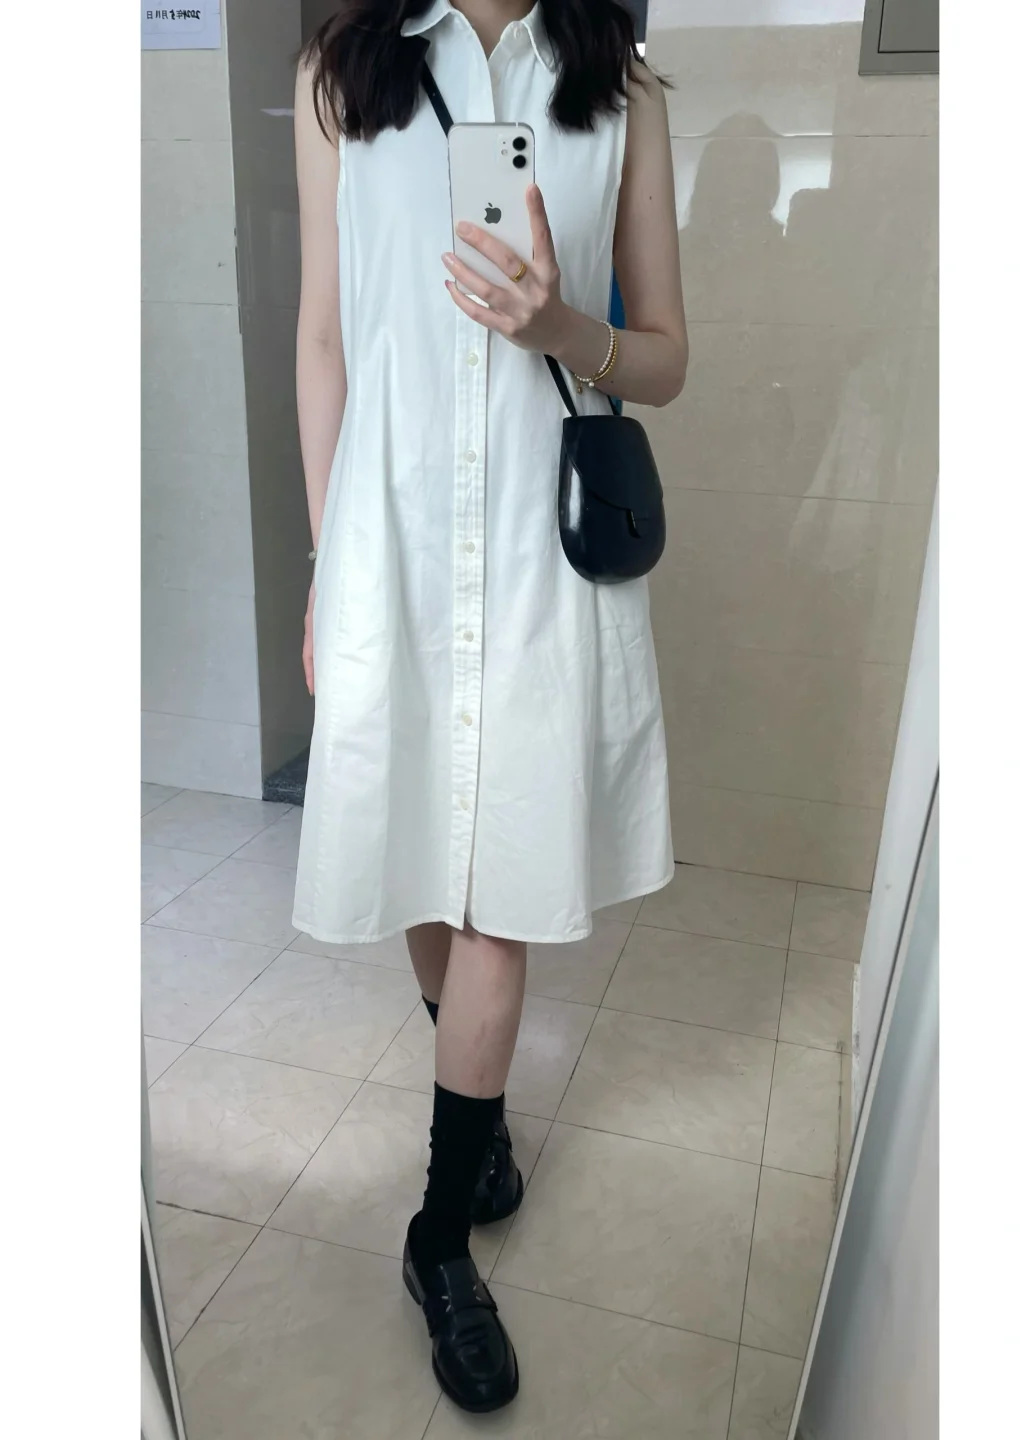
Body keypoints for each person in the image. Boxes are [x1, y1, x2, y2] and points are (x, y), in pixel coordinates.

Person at [293, 0, 686, 1413]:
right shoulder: (345, 77)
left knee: (499, 894)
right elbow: (324, 338)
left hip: (532, 562)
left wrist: (562, 322)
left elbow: (666, 360)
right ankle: (485, 1128)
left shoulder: (618, 90)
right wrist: (329, 570)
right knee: (423, 850)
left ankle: (440, 1237)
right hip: (392, 548)